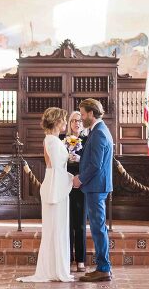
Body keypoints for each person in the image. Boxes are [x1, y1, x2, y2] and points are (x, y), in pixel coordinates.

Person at [17, 107, 74, 283]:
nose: (65, 122)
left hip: (53, 183)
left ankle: (54, 268)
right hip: (56, 186)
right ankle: (56, 270)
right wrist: (73, 179)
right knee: (56, 229)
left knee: (55, 229)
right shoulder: (54, 142)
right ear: (56, 121)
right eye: (63, 120)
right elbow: (56, 168)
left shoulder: (51, 139)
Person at [73, 98, 114, 282]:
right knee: (99, 227)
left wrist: (80, 179)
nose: (81, 118)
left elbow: (96, 165)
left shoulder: (98, 133)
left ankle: (104, 268)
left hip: (96, 187)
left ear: (91, 113)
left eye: (82, 114)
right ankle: (102, 267)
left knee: (98, 228)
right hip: (97, 186)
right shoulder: (98, 130)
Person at [59, 111, 87, 272]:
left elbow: (91, 162)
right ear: (69, 123)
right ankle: (68, 258)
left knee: (81, 224)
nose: (77, 123)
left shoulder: (88, 140)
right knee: (67, 223)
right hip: (66, 184)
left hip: (82, 185)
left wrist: (80, 159)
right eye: (74, 121)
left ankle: (81, 260)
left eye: (80, 121)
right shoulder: (62, 140)